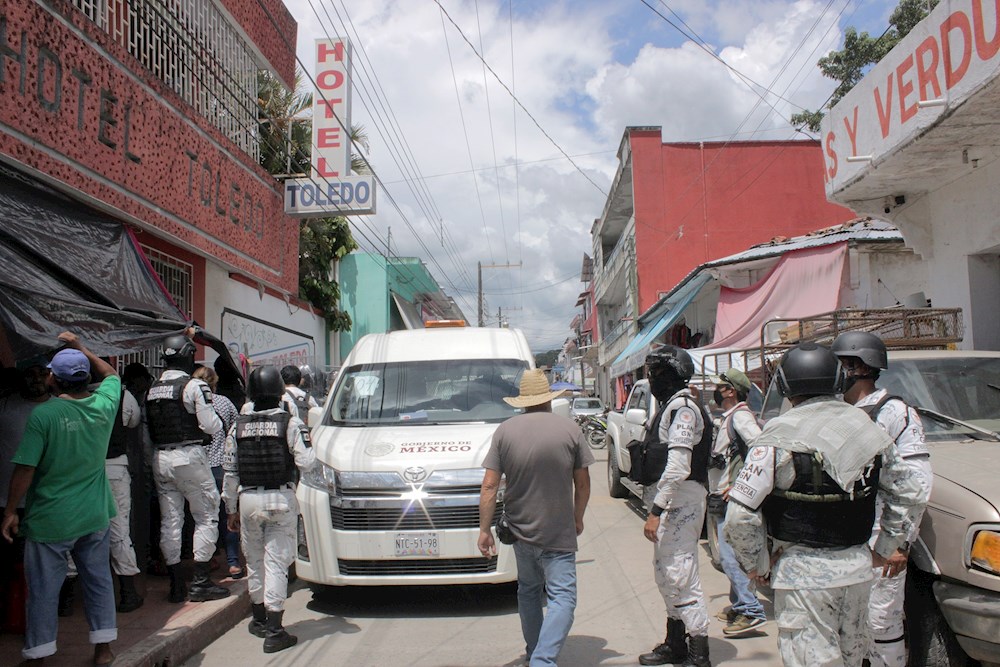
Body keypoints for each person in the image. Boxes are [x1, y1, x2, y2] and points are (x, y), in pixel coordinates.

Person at [724, 342, 928, 667]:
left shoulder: (776, 438)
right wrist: (884, 547)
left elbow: (738, 517)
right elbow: (911, 491)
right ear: (837, 380)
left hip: (801, 578)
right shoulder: (867, 429)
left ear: (785, 386)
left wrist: (756, 565)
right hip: (858, 572)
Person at [2, 333, 120, 665]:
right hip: (94, 515)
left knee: (43, 589)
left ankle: (39, 653)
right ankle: (104, 649)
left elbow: (25, 469)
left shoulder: (44, 416)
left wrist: (10, 511)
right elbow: (112, 375)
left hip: (51, 519)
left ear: (53, 378)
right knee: (98, 582)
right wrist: (81, 347)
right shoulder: (104, 405)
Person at [477, 369, 593, 667]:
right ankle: (542, 659)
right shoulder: (570, 430)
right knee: (563, 598)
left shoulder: (504, 431)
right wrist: (577, 517)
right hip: (557, 533)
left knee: (528, 592)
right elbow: (583, 484)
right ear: (548, 399)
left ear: (523, 401)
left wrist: (484, 530)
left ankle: (533, 653)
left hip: (519, 532)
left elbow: (489, 486)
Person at [832, 331, 933, 667]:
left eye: (841, 364)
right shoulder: (836, 412)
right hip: (841, 538)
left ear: (860, 367)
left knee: (881, 623)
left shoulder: (895, 413)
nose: (835, 372)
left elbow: (917, 482)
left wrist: (900, 543)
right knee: (847, 624)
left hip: (880, 536)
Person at [223, 366, 315, 654]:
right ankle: (275, 631)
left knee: (255, 560)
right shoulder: (289, 423)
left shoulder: (237, 425)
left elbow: (230, 472)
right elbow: (308, 463)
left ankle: (259, 618)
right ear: (279, 393)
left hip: (247, 500)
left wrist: (230, 509)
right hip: (280, 499)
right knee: (277, 563)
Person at [637, 345, 714, 667]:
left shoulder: (683, 409)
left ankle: (698, 653)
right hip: (673, 502)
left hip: (680, 502)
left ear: (671, 375)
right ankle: (675, 643)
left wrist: (656, 511)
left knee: (681, 575)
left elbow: (679, 466)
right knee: (667, 575)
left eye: (656, 373)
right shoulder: (670, 406)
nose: (652, 379)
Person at [146, 332, 228, 603]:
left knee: (171, 521)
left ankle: (176, 585)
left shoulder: (152, 388)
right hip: (189, 456)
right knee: (206, 515)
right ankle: (201, 583)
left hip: (160, 458)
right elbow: (211, 426)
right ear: (187, 356)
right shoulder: (193, 386)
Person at [706, 368, 766, 636]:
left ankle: (752, 611)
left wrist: (740, 485)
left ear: (730, 391)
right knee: (732, 556)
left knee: (731, 558)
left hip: (733, 499)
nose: (716, 391)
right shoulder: (730, 417)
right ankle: (740, 604)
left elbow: (760, 448)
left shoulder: (740, 416)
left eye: (719, 387)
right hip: (722, 496)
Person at [0, 361, 51, 634]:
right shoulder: (6, 406)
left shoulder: (60, 408)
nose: (36, 379)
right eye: (30, 374)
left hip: (43, 502)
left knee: (36, 567)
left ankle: (33, 623)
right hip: (6, 501)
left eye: (42, 372)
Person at [193, 366, 243, 579]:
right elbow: (235, 431)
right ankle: (233, 563)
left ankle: (209, 557)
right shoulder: (224, 402)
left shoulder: (190, 402)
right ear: (215, 382)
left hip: (197, 468)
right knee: (227, 515)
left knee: (201, 518)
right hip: (221, 467)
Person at [103, 370, 144, 613]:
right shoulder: (121, 395)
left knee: (77, 533)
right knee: (118, 530)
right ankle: (127, 592)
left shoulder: (68, 397)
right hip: (115, 467)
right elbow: (133, 421)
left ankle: (66, 599)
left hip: (83, 469)